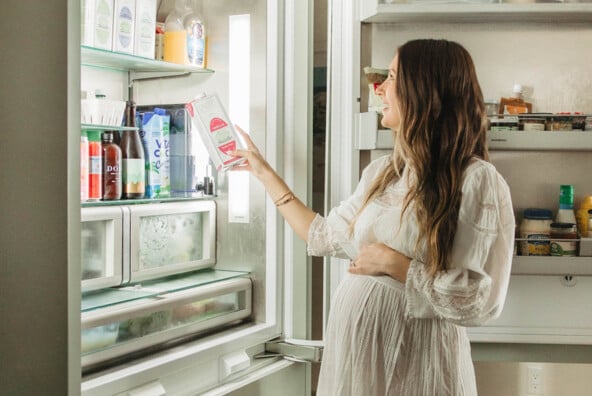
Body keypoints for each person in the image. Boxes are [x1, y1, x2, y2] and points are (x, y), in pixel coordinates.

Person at [232, 39, 515, 395]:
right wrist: (263, 173)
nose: (380, 88)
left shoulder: (477, 180)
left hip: (419, 367)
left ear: (424, 92)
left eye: (393, 77)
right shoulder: (384, 172)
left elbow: (474, 300)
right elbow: (323, 235)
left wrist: (397, 265)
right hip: (358, 368)